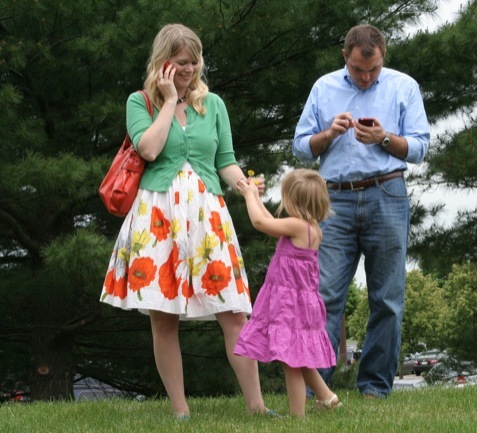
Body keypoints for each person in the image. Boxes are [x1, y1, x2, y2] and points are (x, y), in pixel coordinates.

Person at [100, 23, 274, 420]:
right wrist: (167, 101)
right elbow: (149, 148)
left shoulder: (213, 105)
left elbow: (225, 161)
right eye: (181, 62)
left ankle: (257, 406)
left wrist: (245, 186)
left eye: (195, 62)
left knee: (234, 311)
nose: (190, 69)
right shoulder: (140, 102)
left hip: (206, 214)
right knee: (164, 317)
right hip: (158, 216)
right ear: (163, 62)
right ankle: (181, 410)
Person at [292, 25, 431, 398]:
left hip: (387, 191)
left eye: (373, 69)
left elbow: (419, 148)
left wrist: (382, 138)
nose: (366, 77)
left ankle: (374, 386)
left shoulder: (404, 87)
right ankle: (317, 388)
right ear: (345, 57)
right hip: (333, 199)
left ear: (383, 57)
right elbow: (301, 147)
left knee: (387, 297)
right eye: (357, 69)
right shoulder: (324, 87)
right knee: (324, 295)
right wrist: (328, 135)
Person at [233, 169, 342, 417]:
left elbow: (261, 223)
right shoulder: (311, 227)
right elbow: (271, 221)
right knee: (299, 356)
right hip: (301, 304)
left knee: (291, 361)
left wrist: (249, 195)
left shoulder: (297, 226)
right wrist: (255, 197)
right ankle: (327, 397)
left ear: (295, 201)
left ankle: (297, 416)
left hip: (290, 304)